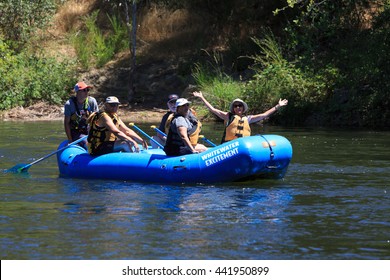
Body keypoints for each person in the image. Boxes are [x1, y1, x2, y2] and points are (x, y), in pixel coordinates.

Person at [192, 91, 288, 143]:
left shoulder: (248, 118)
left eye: (240, 105)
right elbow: (213, 109)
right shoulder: (228, 116)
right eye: (235, 106)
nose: (238, 107)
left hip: (243, 146)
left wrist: (278, 106)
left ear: (243, 108)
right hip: (229, 147)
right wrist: (202, 97)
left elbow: (264, 115)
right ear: (233, 108)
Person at [63, 81, 99, 147]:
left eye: (87, 90)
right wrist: (70, 140)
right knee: (88, 143)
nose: (87, 92)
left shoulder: (92, 102)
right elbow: (66, 123)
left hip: (89, 130)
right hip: (76, 132)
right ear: (78, 92)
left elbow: (97, 120)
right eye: (84, 90)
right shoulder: (69, 104)